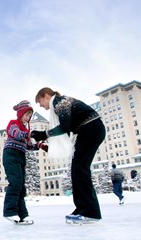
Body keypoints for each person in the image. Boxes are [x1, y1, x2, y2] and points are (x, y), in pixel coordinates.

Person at [31, 87, 106, 222]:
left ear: (46, 95)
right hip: (87, 131)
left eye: (40, 101)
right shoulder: (59, 103)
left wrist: (43, 134)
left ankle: (90, 212)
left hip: (91, 129)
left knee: (80, 169)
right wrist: (44, 142)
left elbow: (64, 127)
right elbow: (66, 130)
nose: (41, 106)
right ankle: (82, 208)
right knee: (76, 170)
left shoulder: (60, 102)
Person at [2, 100, 47, 223]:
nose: (28, 118)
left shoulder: (26, 130)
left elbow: (28, 145)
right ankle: (9, 211)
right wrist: (29, 134)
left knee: (21, 186)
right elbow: (16, 134)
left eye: (29, 116)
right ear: (20, 113)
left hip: (21, 156)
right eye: (26, 115)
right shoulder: (13, 124)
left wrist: (40, 145)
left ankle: (23, 215)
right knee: (15, 182)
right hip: (10, 154)